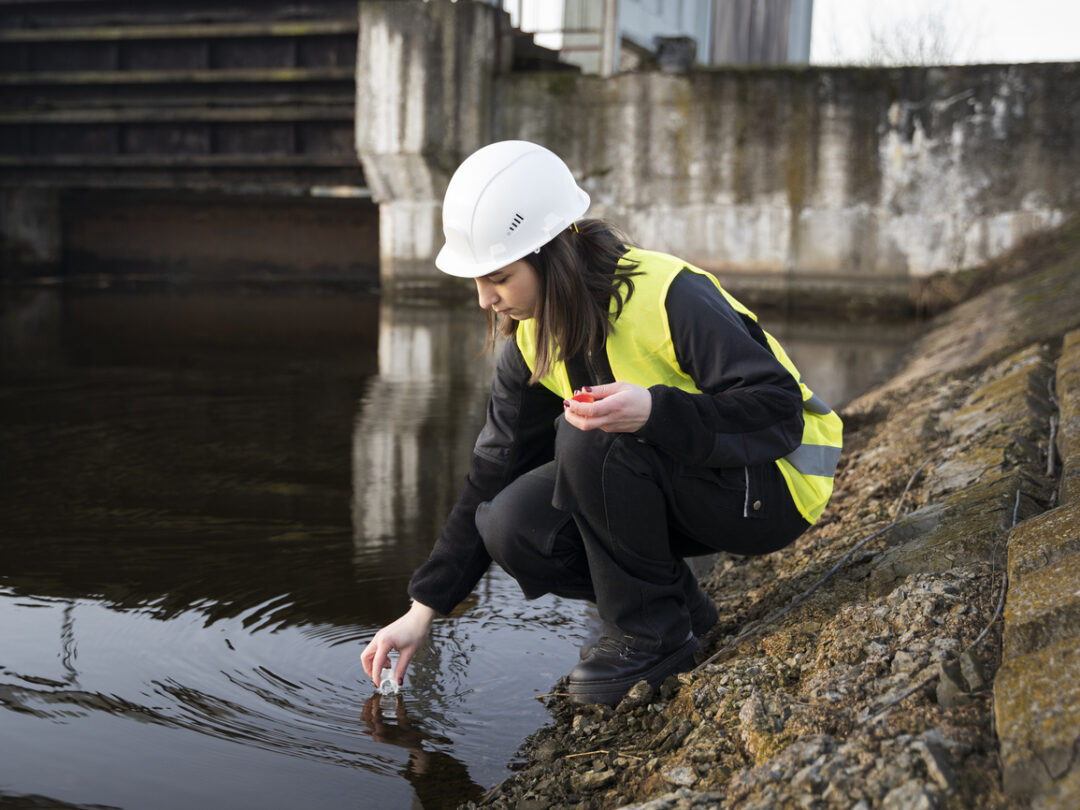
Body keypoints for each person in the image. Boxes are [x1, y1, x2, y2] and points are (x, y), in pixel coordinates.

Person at [361, 140, 843, 706]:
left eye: (498, 277)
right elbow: (490, 475)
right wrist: (424, 610)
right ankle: (678, 611)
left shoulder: (667, 295)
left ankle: (650, 638)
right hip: (696, 479)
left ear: (550, 253)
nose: (485, 300)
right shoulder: (532, 339)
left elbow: (777, 409)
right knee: (510, 524)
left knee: (588, 437)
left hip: (774, 486)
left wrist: (657, 412)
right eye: (477, 281)